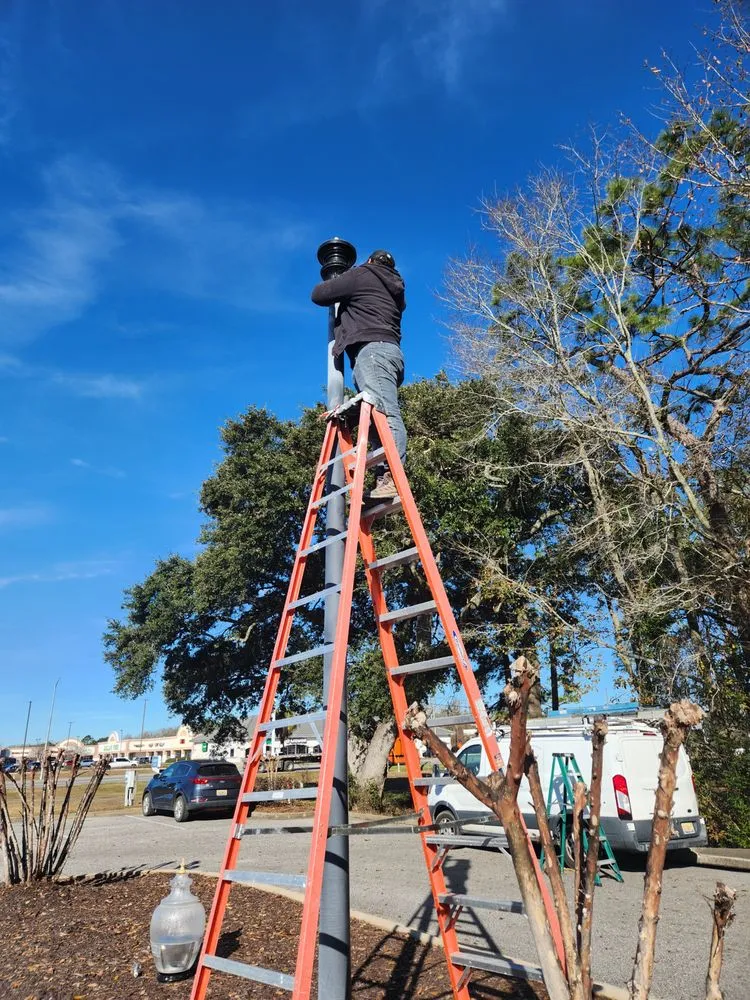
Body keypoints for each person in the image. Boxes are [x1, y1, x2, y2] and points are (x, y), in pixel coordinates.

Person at [311, 249, 406, 500]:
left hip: (372, 351)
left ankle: (393, 477)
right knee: (377, 416)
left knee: (386, 413)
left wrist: (338, 277)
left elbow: (319, 295)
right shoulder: (393, 289)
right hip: (387, 353)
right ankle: (383, 479)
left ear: (370, 262)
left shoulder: (364, 274)